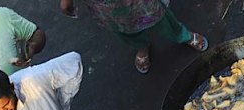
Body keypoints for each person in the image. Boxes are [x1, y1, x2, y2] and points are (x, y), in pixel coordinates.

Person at [59, 0, 208, 74]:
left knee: (159, 17)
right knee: (123, 27)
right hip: (106, 6)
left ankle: (182, 35)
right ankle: (141, 46)